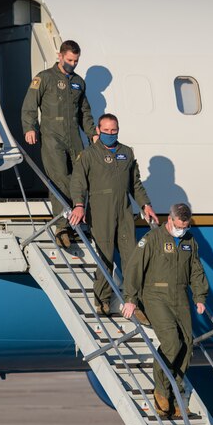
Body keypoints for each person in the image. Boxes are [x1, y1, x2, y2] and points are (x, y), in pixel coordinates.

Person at [122, 203, 209, 419]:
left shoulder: (190, 242)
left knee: (187, 345)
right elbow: (135, 268)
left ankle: (177, 398)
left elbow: (196, 271)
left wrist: (199, 297)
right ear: (170, 220)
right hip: (155, 295)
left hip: (180, 296)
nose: (182, 230)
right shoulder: (152, 240)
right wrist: (130, 299)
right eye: (180, 226)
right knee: (172, 341)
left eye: (186, 227)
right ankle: (161, 391)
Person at [69, 113, 159, 318]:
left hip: (124, 211)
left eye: (114, 130)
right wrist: (79, 205)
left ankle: (133, 302)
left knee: (132, 258)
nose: (110, 134)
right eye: (106, 130)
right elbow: (78, 182)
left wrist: (146, 205)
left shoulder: (126, 153)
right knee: (105, 256)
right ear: (98, 130)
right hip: (101, 211)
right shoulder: (89, 154)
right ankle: (102, 299)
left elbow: (135, 184)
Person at [21, 40, 97, 248]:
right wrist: (30, 127)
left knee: (81, 177)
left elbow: (85, 112)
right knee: (60, 178)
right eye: (70, 60)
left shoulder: (78, 83)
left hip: (74, 136)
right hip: (52, 136)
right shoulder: (44, 78)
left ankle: (80, 221)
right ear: (60, 56)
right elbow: (29, 105)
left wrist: (92, 133)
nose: (73, 64)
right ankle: (62, 226)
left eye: (76, 60)